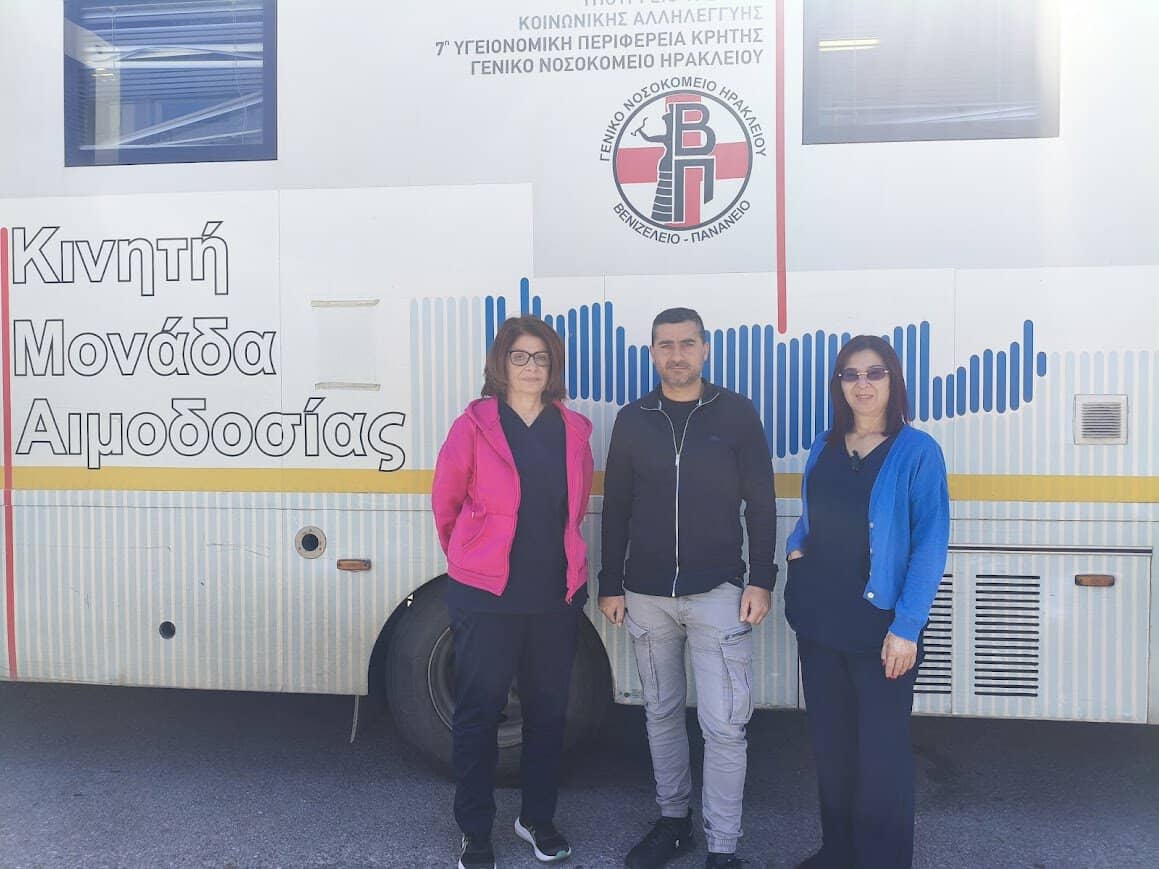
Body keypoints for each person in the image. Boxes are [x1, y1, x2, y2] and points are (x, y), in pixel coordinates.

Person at [598, 307, 777, 869]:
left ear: (705, 349)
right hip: (646, 595)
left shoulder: (737, 413)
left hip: (718, 592)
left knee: (724, 726)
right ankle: (673, 822)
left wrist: (762, 579)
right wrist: (610, 583)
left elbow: (762, 502)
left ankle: (723, 849)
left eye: (687, 343)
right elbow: (616, 507)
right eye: (665, 345)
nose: (676, 354)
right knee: (661, 714)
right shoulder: (633, 419)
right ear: (652, 353)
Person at [432, 315, 595, 869]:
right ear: (501, 363)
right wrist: (472, 558)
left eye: (541, 358)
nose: (530, 367)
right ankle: (475, 830)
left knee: (548, 714)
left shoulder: (573, 431)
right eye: (520, 356)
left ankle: (536, 819)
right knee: (479, 713)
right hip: (486, 597)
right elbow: (446, 505)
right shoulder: (473, 427)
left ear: (553, 367)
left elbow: (573, 509)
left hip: (554, 596)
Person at [784, 335, 950, 869]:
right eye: (850, 374)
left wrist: (907, 627)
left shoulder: (917, 450)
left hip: (881, 629)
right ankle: (839, 852)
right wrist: (796, 550)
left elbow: (930, 543)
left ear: (892, 380)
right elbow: (810, 516)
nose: (862, 384)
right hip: (820, 621)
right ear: (839, 384)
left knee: (881, 757)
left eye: (874, 373)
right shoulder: (824, 445)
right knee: (832, 750)